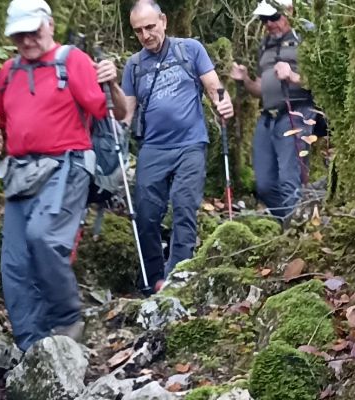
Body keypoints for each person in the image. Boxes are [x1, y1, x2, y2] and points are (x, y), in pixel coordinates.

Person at [0, 0, 109, 352]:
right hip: (20, 171)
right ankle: (31, 345)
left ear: (48, 25)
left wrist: (113, 86)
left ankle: (67, 317)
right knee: (14, 263)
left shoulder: (73, 60)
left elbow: (102, 109)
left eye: (32, 31)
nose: (26, 40)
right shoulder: (9, 71)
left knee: (44, 238)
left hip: (67, 165)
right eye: (19, 34)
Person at [95, 0, 235, 294]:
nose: (146, 35)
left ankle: (178, 278)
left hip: (190, 144)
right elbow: (127, 113)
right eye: (138, 31)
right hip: (153, 149)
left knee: (184, 207)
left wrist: (222, 101)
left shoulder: (190, 49)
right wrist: (111, 101)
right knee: (145, 216)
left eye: (150, 27)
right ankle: (152, 279)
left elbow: (213, 85)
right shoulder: (134, 65)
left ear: (164, 21)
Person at [230, 0, 318, 221]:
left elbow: (323, 81)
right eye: (264, 19)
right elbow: (262, 88)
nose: (269, 24)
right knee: (265, 185)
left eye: (274, 17)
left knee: (290, 180)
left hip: (297, 113)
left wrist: (293, 76)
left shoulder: (307, 35)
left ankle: (297, 237)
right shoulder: (266, 43)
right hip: (269, 116)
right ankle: (289, 225)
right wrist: (246, 80)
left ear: (289, 11)